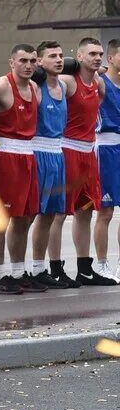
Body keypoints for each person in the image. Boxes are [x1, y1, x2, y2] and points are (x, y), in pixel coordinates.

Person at [0, 44, 43, 294]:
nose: (28, 65)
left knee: (25, 217)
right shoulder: (0, 86)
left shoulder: (35, 89)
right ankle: (0, 275)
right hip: (6, 156)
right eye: (23, 60)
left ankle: (18, 272)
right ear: (11, 62)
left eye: (32, 60)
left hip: (28, 155)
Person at [62, 38, 112, 285]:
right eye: (92, 53)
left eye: (100, 53)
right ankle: (51, 268)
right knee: (59, 213)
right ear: (79, 56)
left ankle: (84, 268)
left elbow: (100, 80)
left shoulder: (99, 84)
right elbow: (45, 78)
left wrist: (100, 70)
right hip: (67, 149)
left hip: (88, 150)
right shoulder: (68, 81)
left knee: (85, 212)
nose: (97, 57)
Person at [30, 41, 76, 289]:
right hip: (38, 152)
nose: (59, 59)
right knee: (31, 215)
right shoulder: (35, 88)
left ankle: (41, 268)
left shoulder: (64, 85)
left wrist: (78, 63)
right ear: (39, 62)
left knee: (50, 214)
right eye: (52, 56)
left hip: (57, 153)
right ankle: (21, 269)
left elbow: (94, 71)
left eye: (61, 55)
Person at [94, 39, 120, 280]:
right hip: (107, 149)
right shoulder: (100, 82)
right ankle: (101, 264)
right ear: (110, 58)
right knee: (106, 211)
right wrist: (99, 69)